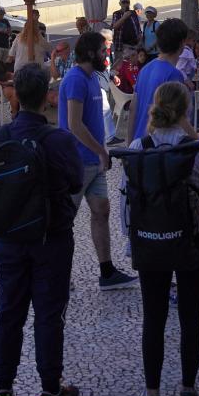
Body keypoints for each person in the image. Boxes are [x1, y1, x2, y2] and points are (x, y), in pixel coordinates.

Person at [0, 63, 85, 396]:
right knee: (48, 313)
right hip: (51, 238)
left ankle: (3, 389)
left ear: (16, 94)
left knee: (8, 310)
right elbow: (76, 182)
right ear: (47, 96)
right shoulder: (58, 139)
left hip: (9, 237)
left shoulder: (0, 135)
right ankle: (49, 391)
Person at [128, 81, 199, 396]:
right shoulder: (197, 150)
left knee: (153, 318)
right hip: (190, 239)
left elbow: (128, 202)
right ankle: (187, 391)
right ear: (186, 111)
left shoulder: (137, 147)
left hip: (150, 240)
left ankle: (152, 394)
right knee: (190, 316)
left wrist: (134, 241)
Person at [60, 31, 138, 290]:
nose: (107, 54)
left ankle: (107, 272)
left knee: (101, 212)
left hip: (94, 163)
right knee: (64, 221)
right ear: (91, 52)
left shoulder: (93, 77)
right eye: (103, 50)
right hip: (77, 163)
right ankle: (59, 274)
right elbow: (74, 124)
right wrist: (101, 151)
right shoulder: (75, 79)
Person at [130, 17, 192, 143]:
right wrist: (197, 139)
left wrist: (129, 144)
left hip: (140, 143)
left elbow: (133, 108)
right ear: (182, 43)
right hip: (157, 146)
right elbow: (179, 117)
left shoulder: (145, 69)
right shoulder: (173, 75)